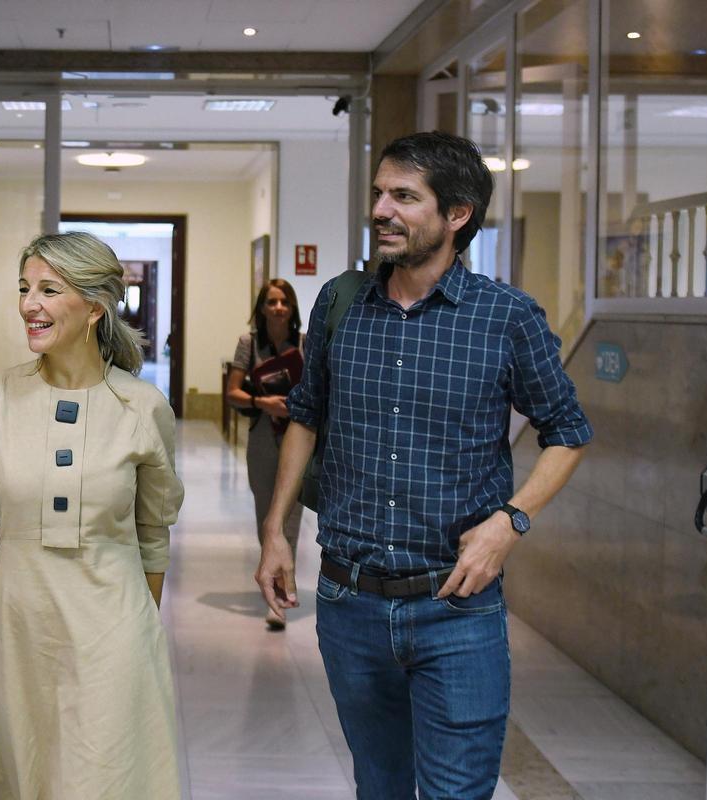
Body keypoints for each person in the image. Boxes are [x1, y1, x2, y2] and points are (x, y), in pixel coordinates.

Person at [254, 131, 593, 799]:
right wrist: (274, 531)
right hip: (348, 602)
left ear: (457, 214)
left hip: (456, 608)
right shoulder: (341, 303)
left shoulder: (506, 319)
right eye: (379, 193)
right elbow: (307, 413)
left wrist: (508, 522)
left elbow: (568, 431)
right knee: (380, 786)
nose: (381, 209)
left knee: (455, 792)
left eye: (404, 197)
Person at [0, 232, 185, 800]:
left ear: (95, 307)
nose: (30, 304)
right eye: (25, 289)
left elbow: (154, 535)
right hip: (12, 631)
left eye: (49, 290)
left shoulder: (142, 407)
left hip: (112, 630)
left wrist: (136, 631)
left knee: (103, 779)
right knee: (22, 774)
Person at [225, 279, 305, 630]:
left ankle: (282, 597)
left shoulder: (304, 344)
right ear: (261, 308)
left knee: (291, 516)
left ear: (292, 307)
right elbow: (232, 393)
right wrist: (263, 402)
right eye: (271, 302)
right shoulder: (249, 343)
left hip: (297, 437)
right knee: (266, 513)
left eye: (283, 301)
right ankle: (273, 583)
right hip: (262, 437)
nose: (278, 308)